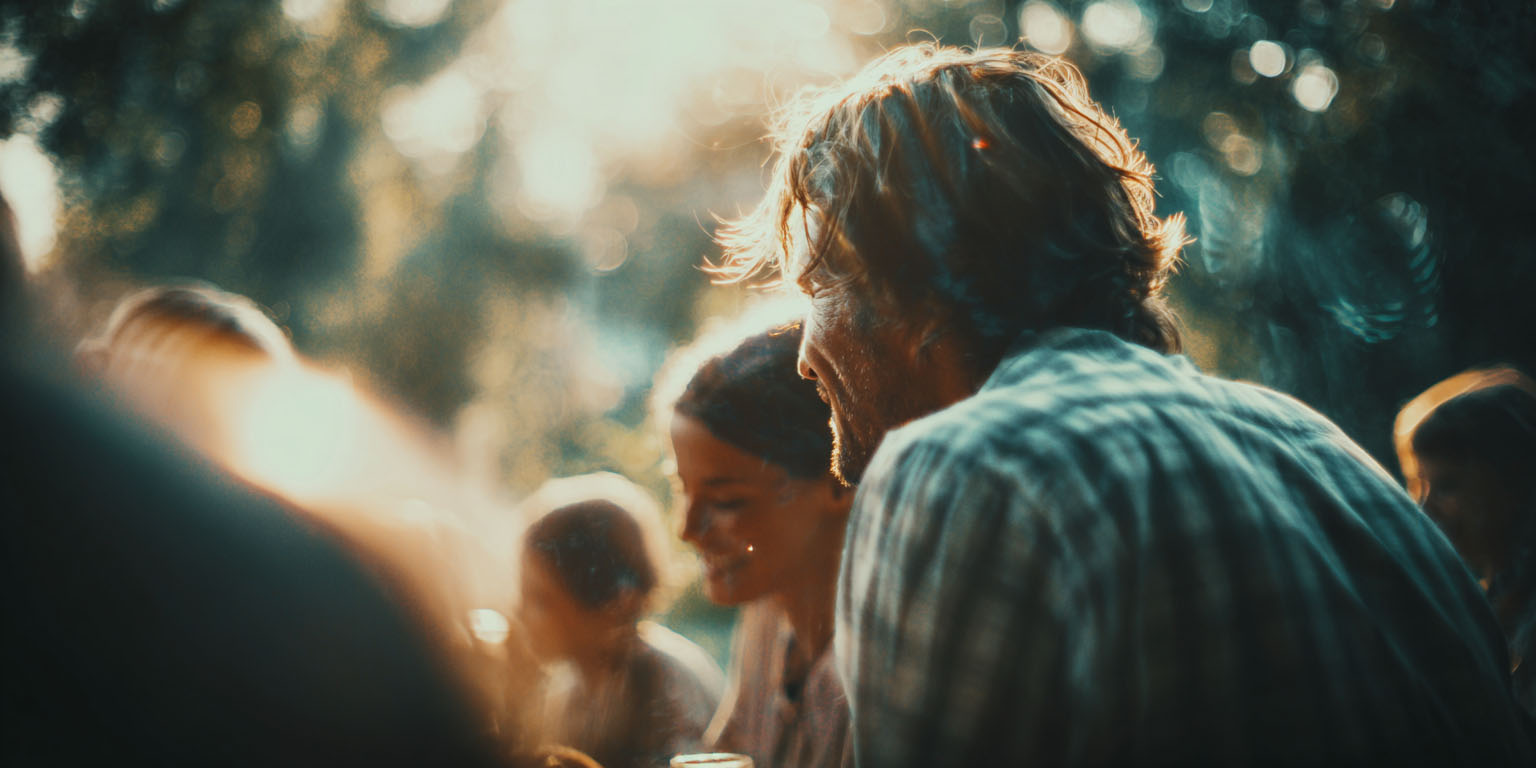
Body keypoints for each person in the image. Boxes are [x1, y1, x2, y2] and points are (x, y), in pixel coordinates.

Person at [713, 43, 1536, 765]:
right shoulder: (1322, 453)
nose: (804, 353)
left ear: (917, 290)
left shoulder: (958, 466)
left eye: (818, 284)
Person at [656, 316, 854, 768]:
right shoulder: (768, 613)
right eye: (680, 489)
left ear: (840, 482)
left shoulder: (878, 677)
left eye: (727, 501)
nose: (687, 528)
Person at [516, 473, 723, 768]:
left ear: (613, 601)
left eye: (541, 599)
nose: (519, 612)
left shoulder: (666, 685)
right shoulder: (570, 690)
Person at [1396, 367, 1536, 715]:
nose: (1424, 509)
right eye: (1417, 485)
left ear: (1513, 480)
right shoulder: (1487, 607)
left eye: (1447, 485)